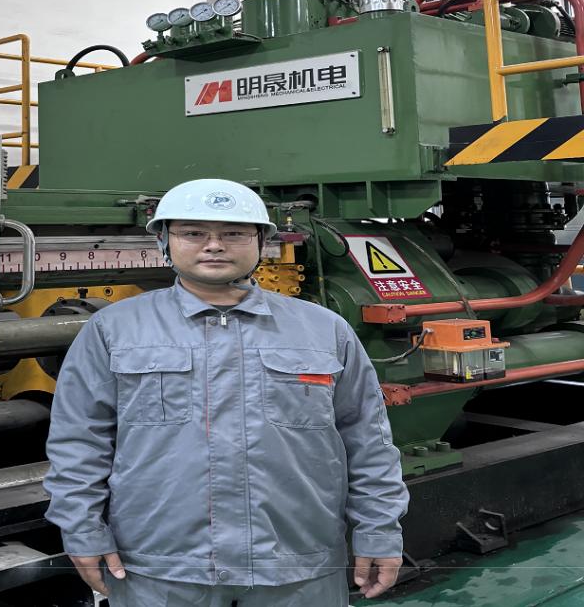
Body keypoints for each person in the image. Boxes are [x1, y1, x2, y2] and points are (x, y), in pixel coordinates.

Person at [43, 179, 409, 606]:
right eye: (193, 232)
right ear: (163, 240)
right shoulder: (114, 330)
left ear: (262, 242)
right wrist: (82, 528)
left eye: (233, 233)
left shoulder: (323, 330)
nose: (214, 245)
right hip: (161, 567)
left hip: (296, 563)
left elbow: (368, 440)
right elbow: (79, 440)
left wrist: (379, 530)